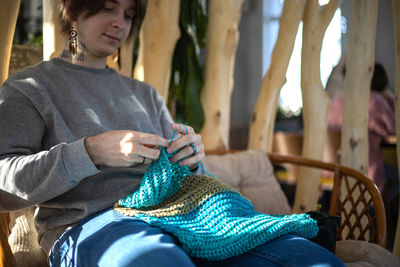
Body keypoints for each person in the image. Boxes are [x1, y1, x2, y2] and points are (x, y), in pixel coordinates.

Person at [0, 0, 344, 266]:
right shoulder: (30, 88)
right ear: (73, 9)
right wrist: (91, 151)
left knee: (305, 257)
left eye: (130, 14)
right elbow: (4, 188)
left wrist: (191, 160)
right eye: (107, 8)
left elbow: (182, 175)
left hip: (180, 214)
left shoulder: (143, 93)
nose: (121, 23)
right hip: (92, 225)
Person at [328, 63, 395, 192]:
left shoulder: (339, 100)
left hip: (334, 171)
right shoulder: (375, 100)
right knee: (396, 177)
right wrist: (390, 100)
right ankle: (382, 210)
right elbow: (393, 129)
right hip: (364, 171)